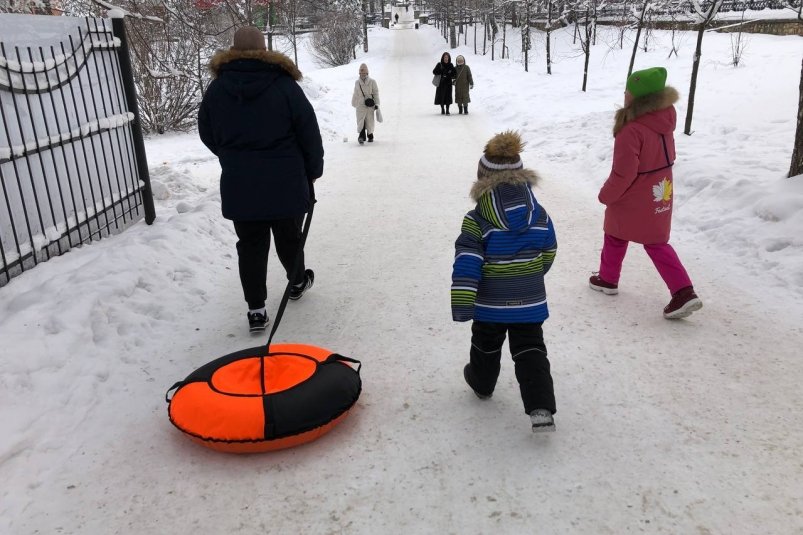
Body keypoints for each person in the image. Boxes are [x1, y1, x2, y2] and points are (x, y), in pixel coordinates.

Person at [198, 26, 323, 333]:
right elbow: (308, 131)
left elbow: (207, 132)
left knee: (251, 245)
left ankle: (256, 310)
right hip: (286, 178)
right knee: (288, 235)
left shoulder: (217, 89)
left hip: (241, 182)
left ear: (232, 51)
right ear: (264, 50)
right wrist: (313, 170)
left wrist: (232, 156)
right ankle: (296, 282)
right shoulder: (284, 85)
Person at [451, 131, 558, 433]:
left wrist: (463, 303)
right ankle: (540, 409)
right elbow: (549, 249)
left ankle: (481, 384)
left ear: (482, 179)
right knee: (530, 349)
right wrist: (533, 275)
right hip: (530, 302)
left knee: (485, 345)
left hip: (490, 304)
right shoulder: (539, 215)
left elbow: (468, 262)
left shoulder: (477, 219)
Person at [589, 67, 702, 319]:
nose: (625, 95)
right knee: (630, 235)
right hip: (660, 189)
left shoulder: (631, 129)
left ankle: (684, 292)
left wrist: (606, 195)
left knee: (632, 236)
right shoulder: (664, 119)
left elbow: (624, 173)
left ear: (639, 98)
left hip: (634, 192)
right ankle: (607, 278)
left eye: (628, 92)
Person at [351, 63, 380, 144]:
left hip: (369, 104)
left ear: (367, 73)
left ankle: (370, 135)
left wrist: (377, 104)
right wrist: (354, 102)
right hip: (360, 104)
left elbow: (376, 93)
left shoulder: (372, 81)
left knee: (369, 120)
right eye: (361, 73)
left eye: (364, 73)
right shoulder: (357, 82)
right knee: (360, 120)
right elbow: (355, 93)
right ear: (359, 73)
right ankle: (361, 136)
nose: (362, 74)